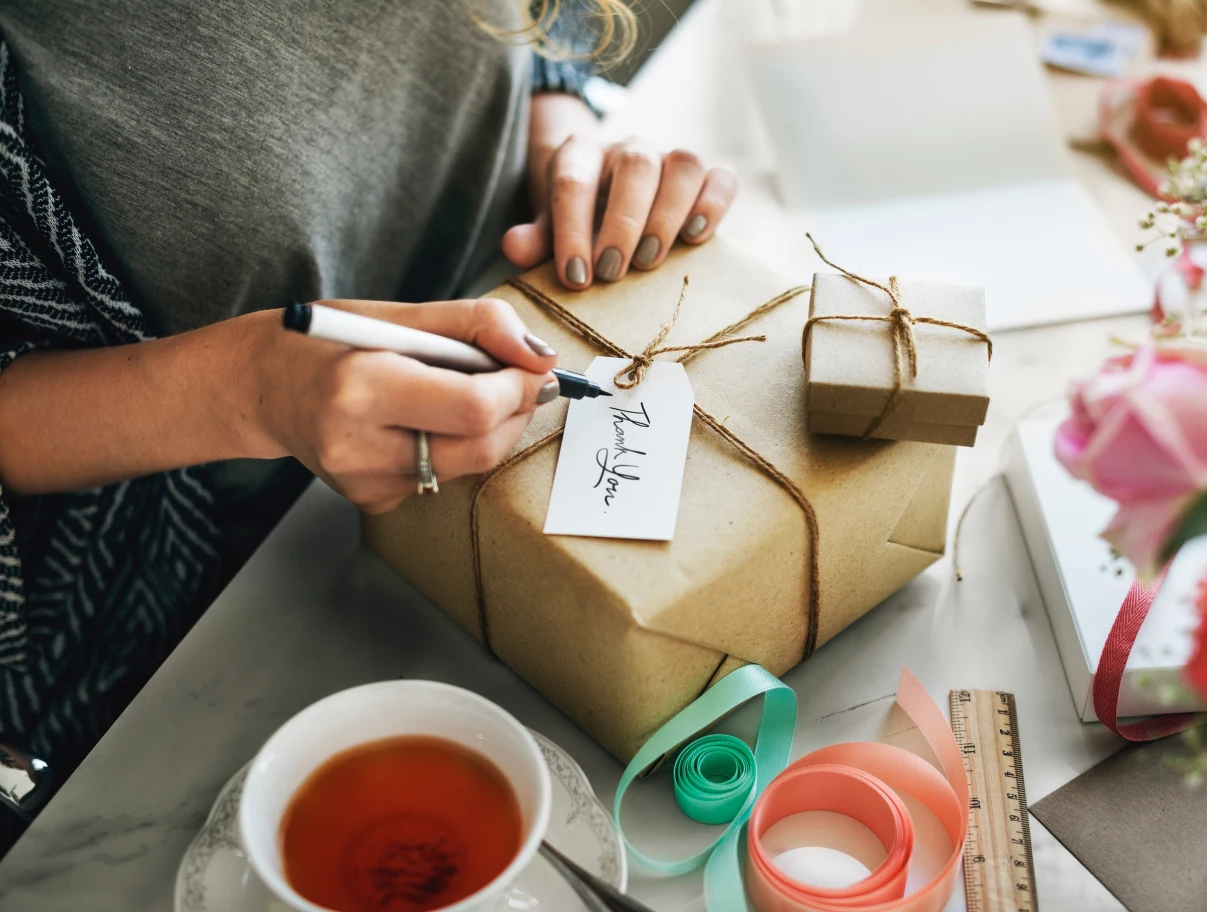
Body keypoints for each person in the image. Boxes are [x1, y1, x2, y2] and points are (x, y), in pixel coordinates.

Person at [0, 0, 735, 847]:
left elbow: (535, 29)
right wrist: (244, 386)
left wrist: (557, 137)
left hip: (537, 327)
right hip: (220, 623)